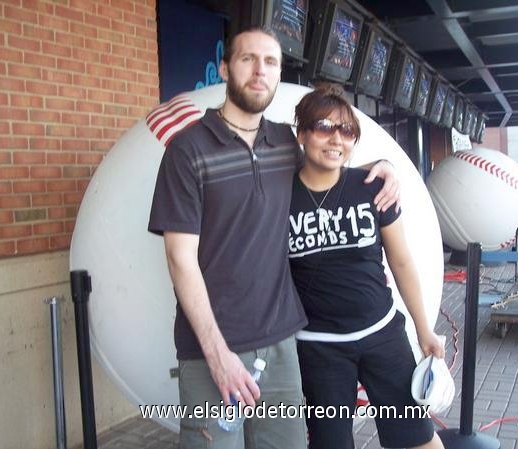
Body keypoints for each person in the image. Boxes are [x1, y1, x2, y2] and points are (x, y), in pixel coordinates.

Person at [148, 28, 400, 449]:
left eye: (270, 62)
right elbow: (179, 259)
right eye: (248, 59)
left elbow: (328, 162)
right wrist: (218, 355)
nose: (259, 71)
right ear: (226, 68)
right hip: (211, 348)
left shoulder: (283, 142)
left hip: (281, 344)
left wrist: (384, 164)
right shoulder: (187, 150)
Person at [288, 86, 445, 449]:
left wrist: (424, 330)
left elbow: (401, 260)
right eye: (324, 126)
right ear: (302, 134)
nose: (336, 138)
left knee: (417, 438)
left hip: (383, 335)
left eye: (347, 131)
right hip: (319, 348)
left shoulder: (372, 186)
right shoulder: (281, 197)